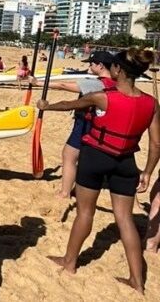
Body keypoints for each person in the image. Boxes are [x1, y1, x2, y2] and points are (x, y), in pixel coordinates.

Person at [37, 47, 160, 295]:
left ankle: (69, 262)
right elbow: (156, 143)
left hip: (95, 158)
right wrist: (147, 172)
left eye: (113, 66)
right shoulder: (151, 103)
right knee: (125, 219)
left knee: (85, 213)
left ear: (118, 70)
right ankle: (137, 281)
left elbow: (69, 104)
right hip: (126, 162)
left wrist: (46, 106)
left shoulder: (104, 96)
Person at [28, 51, 115, 198]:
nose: (89, 66)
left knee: (69, 156)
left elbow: (63, 85)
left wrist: (37, 83)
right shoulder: (117, 82)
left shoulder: (95, 83)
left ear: (100, 66)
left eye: (91, 63)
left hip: (86, 123)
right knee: (85, 158)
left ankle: (65, 192)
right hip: (104, 125)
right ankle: (77, 188)